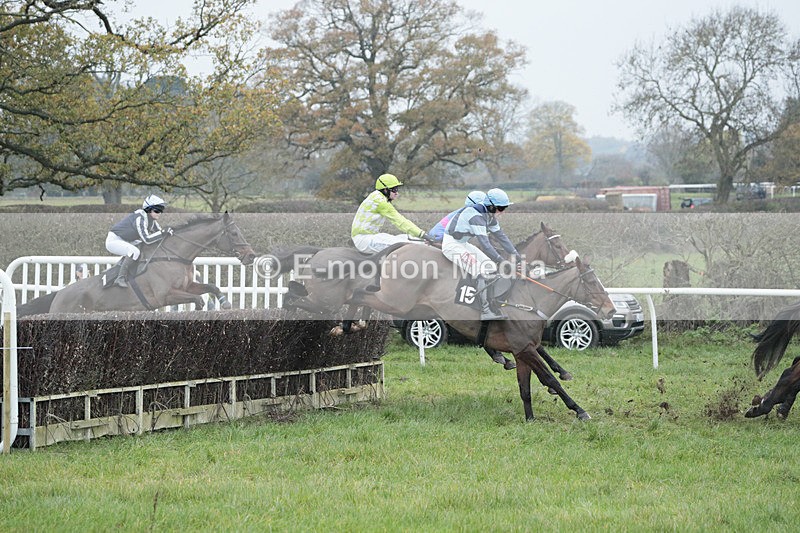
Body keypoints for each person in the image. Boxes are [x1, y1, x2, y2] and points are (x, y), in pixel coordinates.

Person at [442, 188, 521, 321]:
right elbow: (486, 245)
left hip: (463, 244)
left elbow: (502, 237)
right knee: (480, 270)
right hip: (452, 245)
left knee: (490, 266)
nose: (503, 212)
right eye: (501, 208)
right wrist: (502, 261)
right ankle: (485, 311)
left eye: (504, 208)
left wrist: (516, 255)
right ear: (491, 206)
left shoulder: (489, 216)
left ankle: (491, 304)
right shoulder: (476, 217)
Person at [351, 174, 435, 254]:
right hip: (364, 240)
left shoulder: (377, 197)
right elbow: (400, 221)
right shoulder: (380, 202)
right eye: (394, 190)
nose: (397, 193)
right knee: (408, 245)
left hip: (371, 236)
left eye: (397, 189)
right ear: (385, 189)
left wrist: (422, 237)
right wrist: (423, 235)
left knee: (411, 239)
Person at [105, 194, 173, 288]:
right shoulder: (140, 218)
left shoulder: (151, 220)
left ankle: (125, 272)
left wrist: (169, 233)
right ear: (148, 209)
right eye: (157, 210)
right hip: (114, 240)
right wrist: (162, 233)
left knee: (140, 248)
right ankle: (120, 278)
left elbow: (159, 234)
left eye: (161, 210)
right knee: (134, 251)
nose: (160, 213)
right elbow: (148, 239)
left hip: (126, 241)